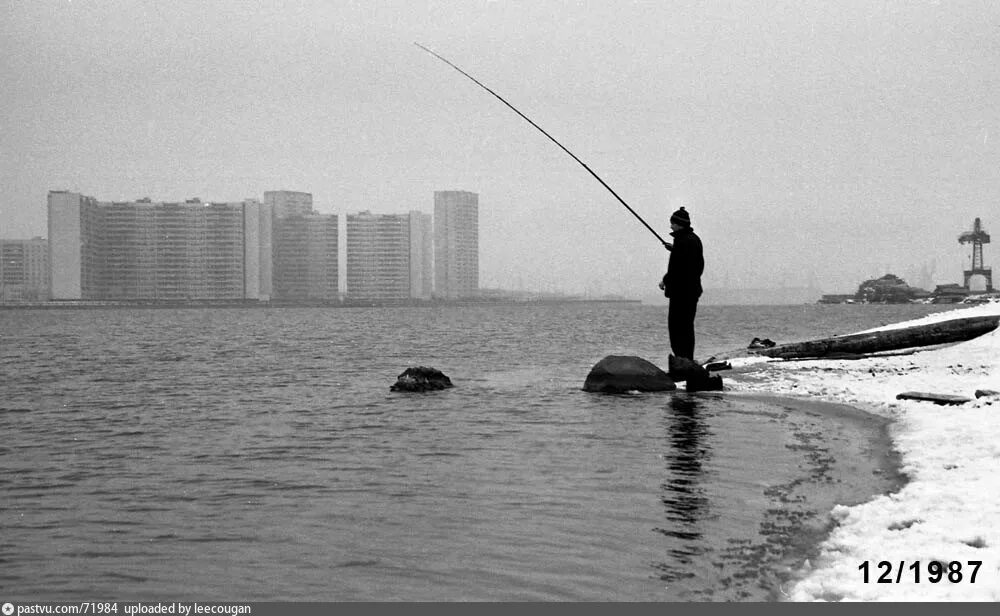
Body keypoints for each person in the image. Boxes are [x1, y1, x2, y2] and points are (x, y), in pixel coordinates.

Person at [658, 206, 704, 360]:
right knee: (686, 327)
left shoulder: (683, 242)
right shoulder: (692, 240)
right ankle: (686, 360)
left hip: (681, 293)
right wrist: (674, 249)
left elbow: (679, 268)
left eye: (672, 223)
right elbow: (692, 264)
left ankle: (682, 361)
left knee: (677, 328)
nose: (671, 226)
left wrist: (665, 280)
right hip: (691, 292)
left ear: (679, 224)